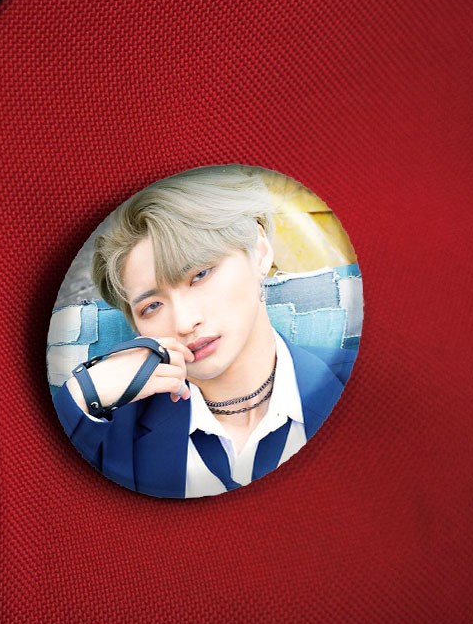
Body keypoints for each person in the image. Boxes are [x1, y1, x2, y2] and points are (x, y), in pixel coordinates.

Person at [52, 166, 345, 498]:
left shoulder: (355, 383)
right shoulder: (114, 438)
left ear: (259, 250)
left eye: (201, 275)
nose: (184, 322)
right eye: (152, 306)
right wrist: (81, 393)